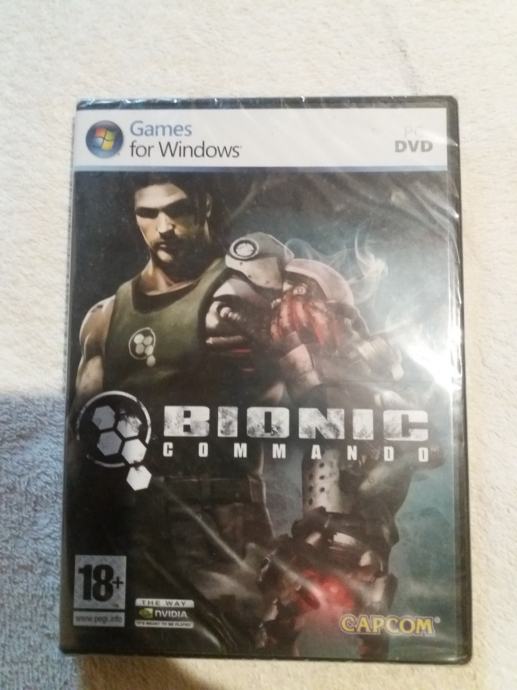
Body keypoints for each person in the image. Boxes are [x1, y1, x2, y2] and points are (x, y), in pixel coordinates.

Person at [71, 174, 432, 658]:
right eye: (148, 213)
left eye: (177, 209)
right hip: (125, 522)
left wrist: (346, 525)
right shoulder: (104, 318)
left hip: (221, 524)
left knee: (252, 657)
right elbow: (81, 442)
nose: (164, 227)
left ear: (203, 207)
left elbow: (344, 403)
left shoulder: (262, 284)